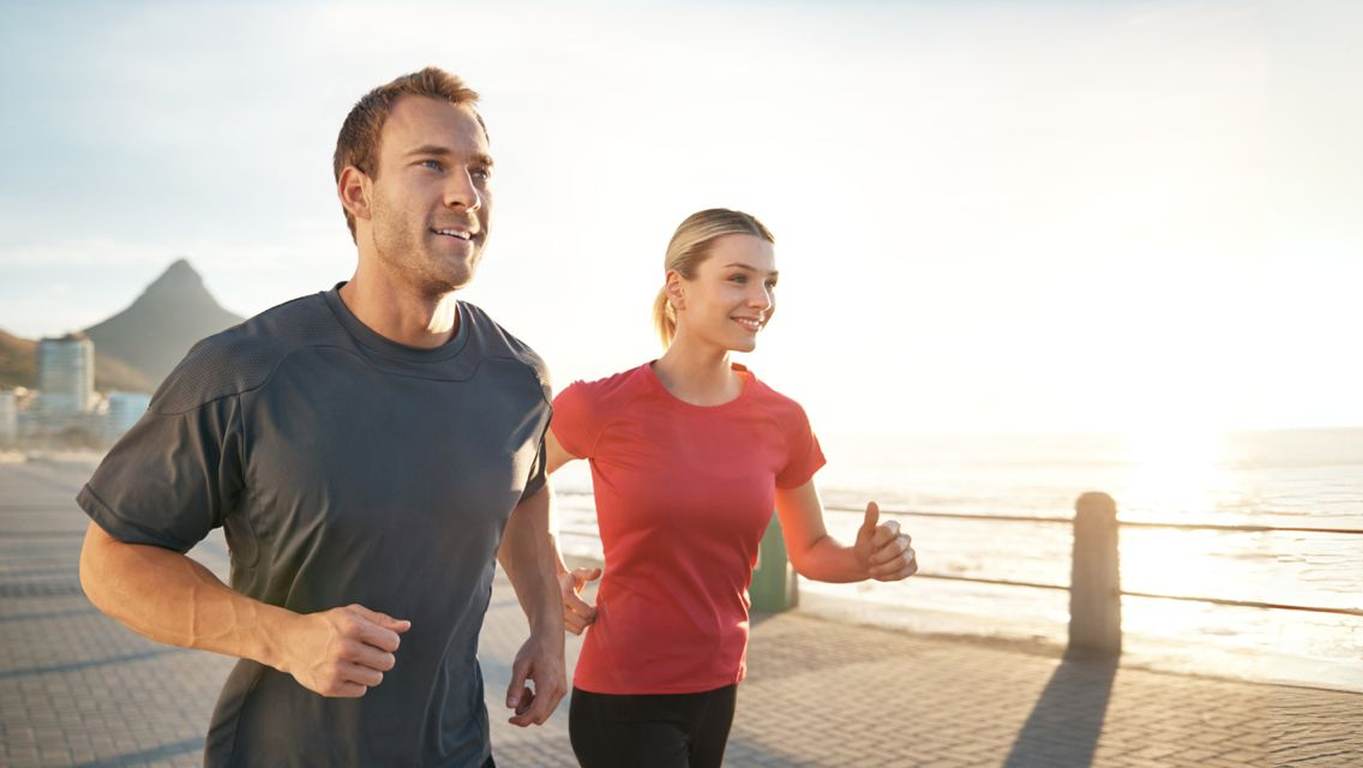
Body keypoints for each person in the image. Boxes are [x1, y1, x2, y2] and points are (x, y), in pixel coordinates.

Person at [74, 67, 568, 766]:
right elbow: (111, 563)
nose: (467, 193)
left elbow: (527, 499)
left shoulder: (519, 378)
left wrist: (547, 632)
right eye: (432, 164)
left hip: (461, 752)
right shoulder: (245, 372)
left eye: (480, 170)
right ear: (356, 191)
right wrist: (283, 638)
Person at [547, 209, 919, 767]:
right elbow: (506, 488)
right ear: (678, 287)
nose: (762, 299)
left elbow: (812, 552)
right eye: (738, 278)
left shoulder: (782, 419)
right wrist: (547, 579)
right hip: (625, 695)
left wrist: (865, 560)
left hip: (718, 687)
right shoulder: (599, 405)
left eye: (770, 283)